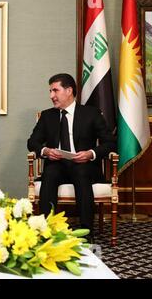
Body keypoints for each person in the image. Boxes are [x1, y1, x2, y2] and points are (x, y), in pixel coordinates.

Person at [27, 73, 116, 241]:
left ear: (69, 91)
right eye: (50, 91)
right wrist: (46, 151)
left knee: (81, 172)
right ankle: (47, 231)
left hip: (85, 165)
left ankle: (86, 233)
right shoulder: (48, 116)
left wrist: (91, 154)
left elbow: (110, 143)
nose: (51, 96)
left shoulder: (91, 113)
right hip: (58, 164)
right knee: (50, 173)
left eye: (55, 90)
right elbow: (32, 143)